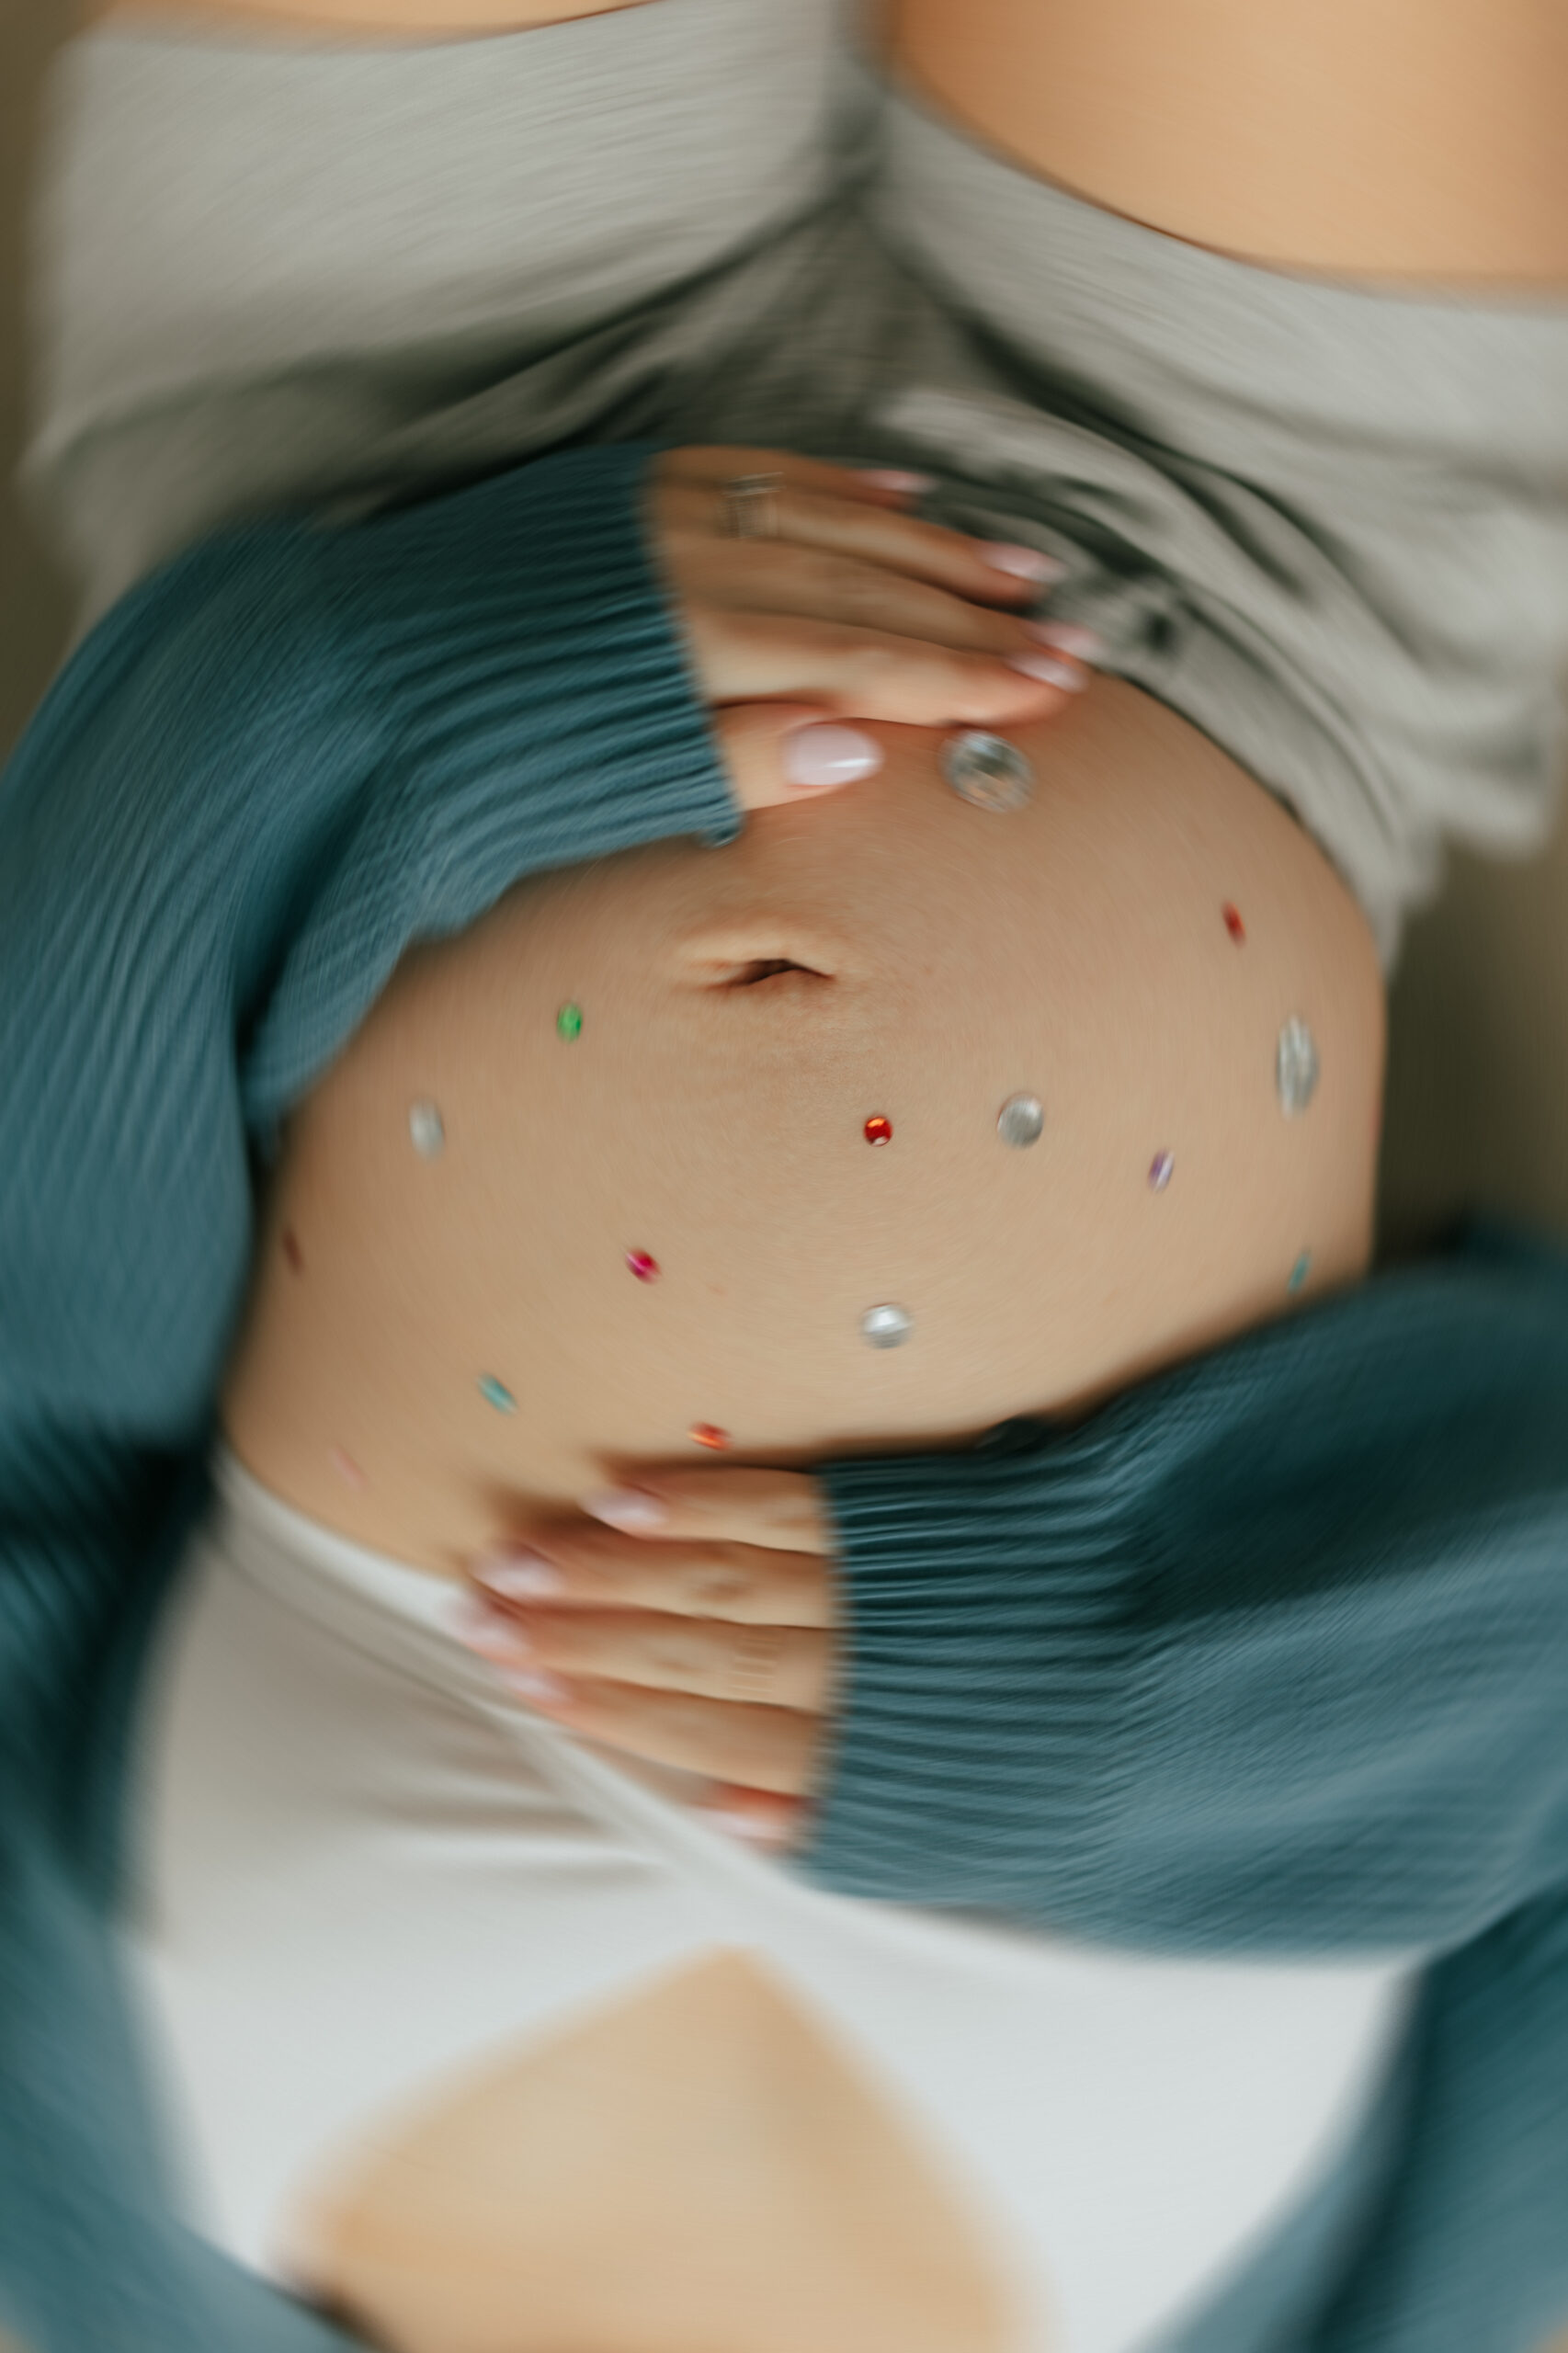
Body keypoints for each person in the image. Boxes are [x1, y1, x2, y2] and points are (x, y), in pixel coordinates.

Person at [3, 1, 1566, 2349]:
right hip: (1268, 555)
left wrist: (390, 690)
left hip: (395, 426)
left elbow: (25, 1357)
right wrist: (1083, 1682)